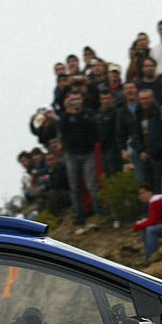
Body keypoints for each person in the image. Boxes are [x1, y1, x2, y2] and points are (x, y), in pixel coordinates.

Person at [56, 92, 102, 227]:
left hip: (88, 152)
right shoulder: (64, 117)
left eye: (76, 100)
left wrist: (77, 115)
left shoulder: (88, 114)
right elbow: (62, 132)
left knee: (92, 184)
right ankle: (80, 215)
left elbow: (93, 129)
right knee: (75, 187)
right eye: (71, 101)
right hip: (71, 154)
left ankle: (99, 211)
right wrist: (68, 113)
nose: (74, 104)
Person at [131, 88, 162, 191]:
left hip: (158, 154)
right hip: (145, 155)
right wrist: (141, 150)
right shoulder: (138, 113)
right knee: (147, 183)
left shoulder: (159, 112)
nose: (144, 101)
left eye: (146, 98)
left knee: (159, 183)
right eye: (142, 99)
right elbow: (137, 133)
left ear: (152, 98)